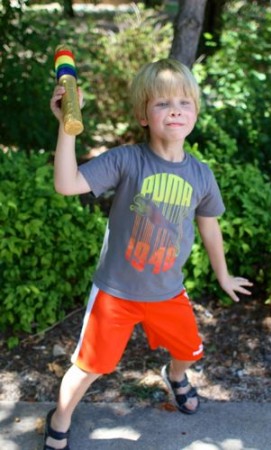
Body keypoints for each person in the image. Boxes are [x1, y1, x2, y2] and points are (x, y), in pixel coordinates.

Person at [45, 58, 252, 450]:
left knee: (189, 351)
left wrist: (223, 275)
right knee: (89, 368)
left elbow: (210, 226)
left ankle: (175, 376)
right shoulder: (127, 160)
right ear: (143, 114)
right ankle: (59, 418)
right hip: (115, 294)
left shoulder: (201, 175)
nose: (175, 109)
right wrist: (66, 127)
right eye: (161, 103)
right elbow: (67, 184)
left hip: (168, 292)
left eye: (184, 102)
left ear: (194, 113)